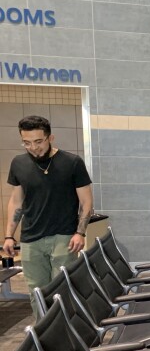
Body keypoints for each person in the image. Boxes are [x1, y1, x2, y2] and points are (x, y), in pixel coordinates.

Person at [3, 115, 93, 316]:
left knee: (62, 290)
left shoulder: (72, 162)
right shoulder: (18, 163)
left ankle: (66, 336)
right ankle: (43, 338)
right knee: (37, 293)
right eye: (27, 143)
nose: (33, 148)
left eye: (38, 141)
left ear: (50, 138)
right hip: (30, 239)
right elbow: (16, 201)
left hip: (64, 237)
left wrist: (80, 232)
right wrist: (9, 235)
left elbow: (86, 202)